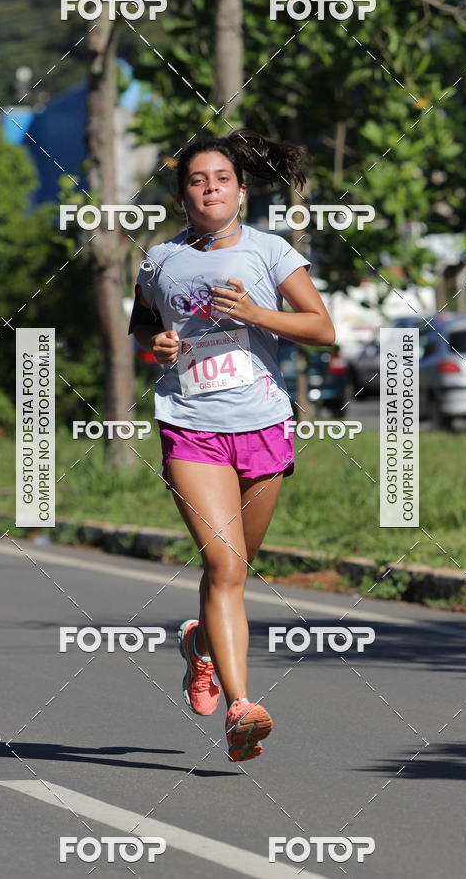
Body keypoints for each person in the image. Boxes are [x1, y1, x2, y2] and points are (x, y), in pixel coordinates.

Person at [128, 128, 335, 762]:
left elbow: (322, 330)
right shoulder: (160, 261)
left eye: (221, 178)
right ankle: (243, 706)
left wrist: (256, 314)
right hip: (191, 425)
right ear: (183, 196)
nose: (210, 187)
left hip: (263, 424)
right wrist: (154, 350)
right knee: (223, 566)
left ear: (241, 190)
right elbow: (144, 333)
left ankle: (201, 649)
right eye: (197, 180)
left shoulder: (271, 252)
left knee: (236, 570)